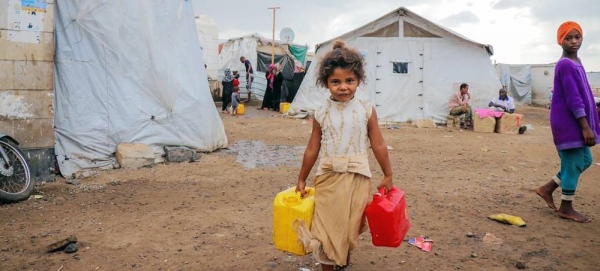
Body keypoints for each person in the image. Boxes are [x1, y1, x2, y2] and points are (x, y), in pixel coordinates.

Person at [294, 40, 393, 270]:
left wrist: (388, 174)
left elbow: (378, 144)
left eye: (349, 81)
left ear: (358, 80)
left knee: (349, 225)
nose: (343, 87)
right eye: (335, 82)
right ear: (326, 83)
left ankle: (342, 259)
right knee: (326, 228)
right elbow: (312, 148)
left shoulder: (366, 109)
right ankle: (328, 264)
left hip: (358, 177)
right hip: (328, 178)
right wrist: (302, 178)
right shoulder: (321, 112)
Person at [535, 21, 600, 223]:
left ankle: (548, 188)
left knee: (585, 161)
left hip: (576, 122)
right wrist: (585, 127)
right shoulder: (565, 64)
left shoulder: (577, 62)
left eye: (577, 37)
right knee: (573, 163)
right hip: (569, 123)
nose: (573, 41)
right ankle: (566, 207)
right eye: (568, 38)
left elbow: (584, 94)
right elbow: (573, 98)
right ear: (560, 41)